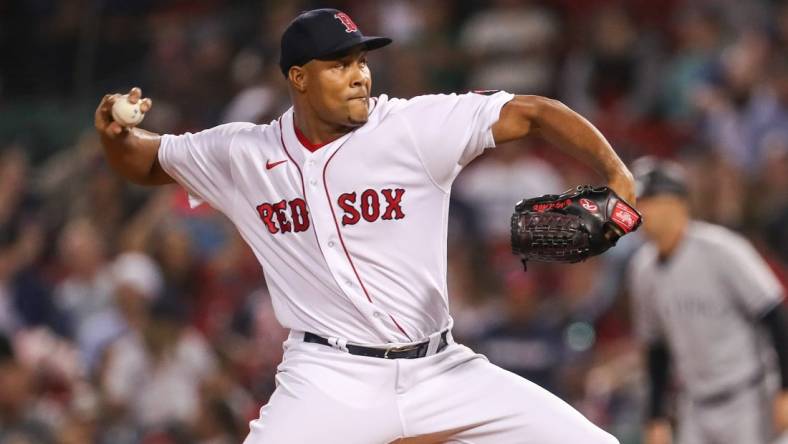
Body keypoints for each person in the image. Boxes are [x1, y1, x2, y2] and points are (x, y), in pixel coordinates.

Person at [94, 8, 636, 443]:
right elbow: (146, 161)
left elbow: (532, 111)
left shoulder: (410, 127)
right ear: (299, 78)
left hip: (441, 369)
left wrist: (616, 174)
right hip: (328, 378)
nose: (360, 75)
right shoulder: (243, 153)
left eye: (361, 60)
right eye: (340, 64)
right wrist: (114, 131)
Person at [627, 157, 788, 444]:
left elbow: (774, 314)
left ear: (677, 203)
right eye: (638, 201)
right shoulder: (642, 270)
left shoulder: (722, 249)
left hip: (749, 397)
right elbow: (656, 349)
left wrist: (786, 390)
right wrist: (655, 416)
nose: (641, 209)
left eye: (649, 199)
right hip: (695, 406)